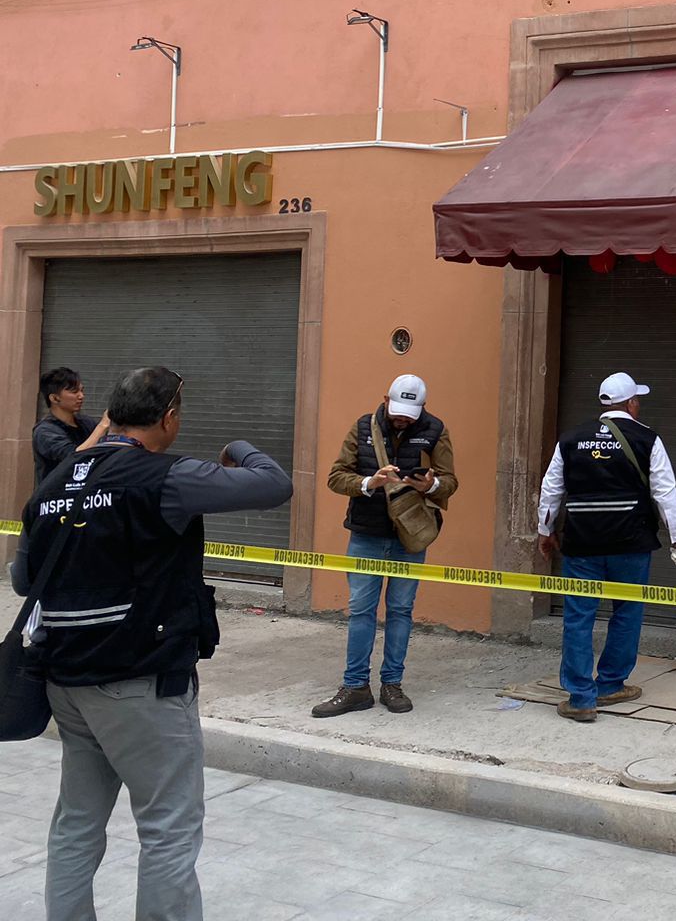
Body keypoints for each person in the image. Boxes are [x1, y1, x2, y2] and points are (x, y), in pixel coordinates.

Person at [13, 366, 292, 921]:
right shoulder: (166, 477)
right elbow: (274, 483)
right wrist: (237, 447)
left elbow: (23, 580)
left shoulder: (55, 483)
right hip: (140, 683)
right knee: (168, 827)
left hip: (66, 682)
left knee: (76, 822)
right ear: (168, 418)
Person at [537, 372, 676, 722]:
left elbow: (551, 489)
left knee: (578, 617)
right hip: (630, 543)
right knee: (627, 613)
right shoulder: (647, 438)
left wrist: (544, 531)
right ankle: (610, 685)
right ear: (631, 404)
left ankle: (581, 698)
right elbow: (665, 492)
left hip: (582, 544)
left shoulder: (571, 438)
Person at [314, 374, 457, 718]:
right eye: (398, 413)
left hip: (410, 536)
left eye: (410, 415)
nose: (402, 420)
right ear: (385, 400)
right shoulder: (363, 427)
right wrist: (369, 482)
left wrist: (430, 485)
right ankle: (355, 687)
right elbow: (336, 477)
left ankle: (392, 684)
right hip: (366, 533)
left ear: (422, 408)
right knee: (361, 610)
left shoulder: (436, 430)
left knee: (401, 610)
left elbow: (450, 482)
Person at [32, 366, 110, 487]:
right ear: (54, 398)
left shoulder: (86, 423)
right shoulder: (45, 431)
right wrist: (103, 425)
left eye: (82, 390)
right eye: (74, 392)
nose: (81, 396)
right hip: (56, 495)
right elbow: (74, 457)